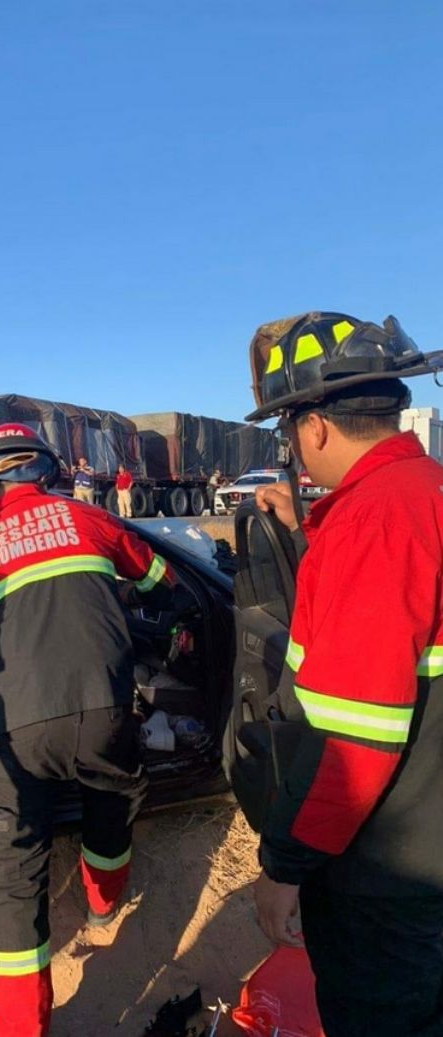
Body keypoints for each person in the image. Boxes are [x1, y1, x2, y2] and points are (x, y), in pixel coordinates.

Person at [244, 311, 443, 1036]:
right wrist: (305, 530)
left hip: (384, 873)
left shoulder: (371, 525)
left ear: (314, 427)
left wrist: (285, 865)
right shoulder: (423, 493)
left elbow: (352, 738)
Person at [0, 423, 174, 1037]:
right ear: (46, 472)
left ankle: (22, 1027)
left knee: (14, 872)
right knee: (111, 799)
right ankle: (103, 905)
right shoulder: (91, 522)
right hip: (103, 710)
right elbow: (161, 584)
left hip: (19, 730)